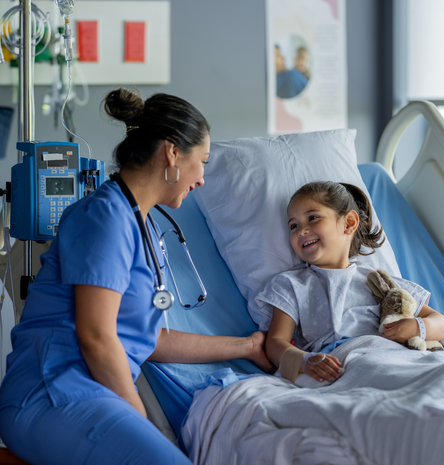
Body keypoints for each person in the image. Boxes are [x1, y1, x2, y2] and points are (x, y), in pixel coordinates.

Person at [0, 89, 273, 465]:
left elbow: (151, 339)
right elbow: (96, 337)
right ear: (173, 152)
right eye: (203, 161)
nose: (203, 178)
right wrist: (138, 417)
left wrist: (246, 346)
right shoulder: (104, 216)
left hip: (92, 390)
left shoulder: (142, 224)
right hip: (51, 392)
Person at [257, 181, 444, 384]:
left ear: (349, 223)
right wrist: (304, 360)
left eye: (312, 218)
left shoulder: (377, 281)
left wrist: (417, 327)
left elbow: (441, 322)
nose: (301, 231)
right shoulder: (292, 285)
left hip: (392, 354)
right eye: (293, 226)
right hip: (339, 363)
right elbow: (276, 342)